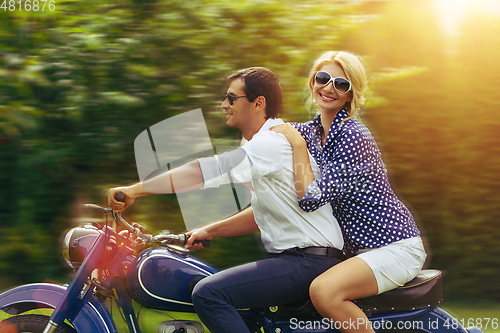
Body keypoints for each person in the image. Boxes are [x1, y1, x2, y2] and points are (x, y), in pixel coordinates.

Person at [108, 67, 345, 333]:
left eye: (231, 98)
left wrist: (135, 190)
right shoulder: (258, 144)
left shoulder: (270, 143)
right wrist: (209, 230)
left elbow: (203, 172)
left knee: (209, 294)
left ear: (258, 103)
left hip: (306, 261)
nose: (224, 105)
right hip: (299, 259)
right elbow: (262, 213)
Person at [270, 51, 427, 333]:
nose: (329, 88)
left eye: (341, 84)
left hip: (394, 247)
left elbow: (310, 199)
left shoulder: (354, 135)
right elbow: (263, 135)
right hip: (360, 253)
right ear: (312, 82)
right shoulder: (311, 132)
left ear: (351, 94)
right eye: (323, 78)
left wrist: (296, 147)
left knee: (323, 292)